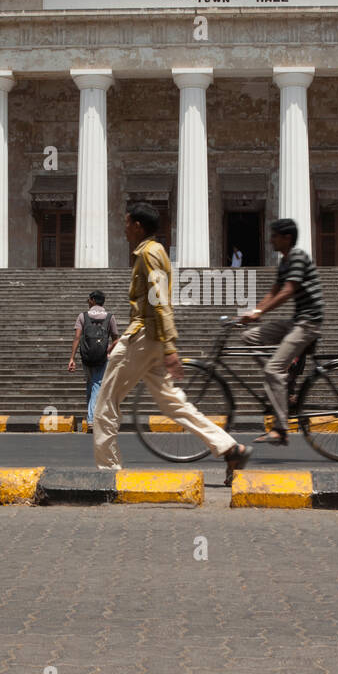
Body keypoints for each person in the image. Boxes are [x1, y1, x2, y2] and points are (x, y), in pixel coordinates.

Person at [93, 203, 253, 482]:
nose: (124, 227)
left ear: (139, 226)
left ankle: (107, 474)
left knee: (105, 404)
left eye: (127, 222)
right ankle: (229, 448)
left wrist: (169, 346)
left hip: (143, 337)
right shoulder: (155, 252)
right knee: (173, 403)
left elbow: (160, 300)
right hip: (151, 339)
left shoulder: (148, 254)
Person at [238, 218, 325, 445]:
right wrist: (253, 312)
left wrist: (260, 312)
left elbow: (287, 291)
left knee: (273, 369)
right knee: (249, 336)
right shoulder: (285, 262)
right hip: (296, 321)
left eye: (275, 236)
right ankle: (281, 382)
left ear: (286, 238)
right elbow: (274, 290)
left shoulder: (297, 257)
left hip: (309, 322)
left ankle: (281, 428)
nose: (270, 240)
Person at [68, 290, 119, 431]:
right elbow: (116, 340)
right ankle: (92, 419)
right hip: (102, 357)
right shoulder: (110, 317)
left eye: (89, 299)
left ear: (92, 300)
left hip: (86, 357)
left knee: (91, 384)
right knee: (97, 385)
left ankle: (90, 418)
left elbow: (77, 338)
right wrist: (108, 351)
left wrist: (72, 358)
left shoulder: (82, 316)